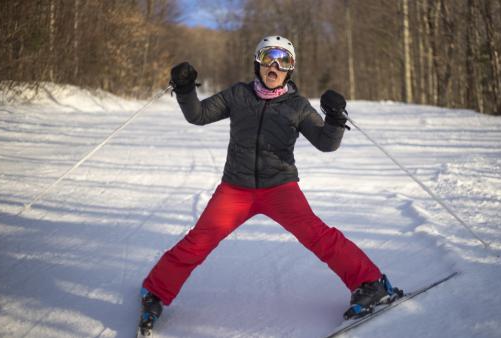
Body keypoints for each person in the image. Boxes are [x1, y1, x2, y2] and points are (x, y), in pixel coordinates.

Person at [137, 35, 403, 335]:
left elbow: (326, 143)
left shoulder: (297, 106)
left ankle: (371, 284)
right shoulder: (238, 95)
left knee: (318, 236)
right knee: (199, 241)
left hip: (280, 188)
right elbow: (197, 115)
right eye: (268, 58)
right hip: (236, 188)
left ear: (290, 70)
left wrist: (335, 119)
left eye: (283, 61)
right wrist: (184, 89)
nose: (274, 66)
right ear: (258, 63)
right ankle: (155, 292)